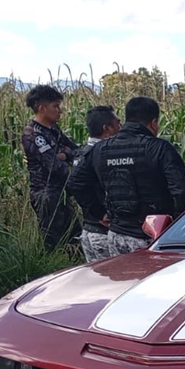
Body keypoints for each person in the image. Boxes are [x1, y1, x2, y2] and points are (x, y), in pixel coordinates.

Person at [68, 97, 185, 256]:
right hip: (152, 237)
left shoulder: (100, 149)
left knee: (122, 281)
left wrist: (98, 212)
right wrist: (174, 223)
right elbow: (183, 189)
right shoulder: (159, 148)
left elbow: (75, 182)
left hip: (116, 236)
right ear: (153, 123)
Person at [20, 84, 81, 253]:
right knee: (54, 242)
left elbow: (76, 150)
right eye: (55, 106)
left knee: (75, 236)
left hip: (61, 192)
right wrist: (64, 156)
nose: (59, 110)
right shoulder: (32, 134)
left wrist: (65, 154)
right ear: (42, 108)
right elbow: (53, 165)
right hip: (45, 194)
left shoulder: (54, 129)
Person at [74, 106, 122, 262]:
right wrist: (99, 213)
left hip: (89, 229)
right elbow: (74, 184)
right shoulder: (100, 154)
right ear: (107, 128)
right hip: (102, 232)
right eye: (117, 124)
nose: (120, 128)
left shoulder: (82, 152)